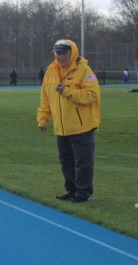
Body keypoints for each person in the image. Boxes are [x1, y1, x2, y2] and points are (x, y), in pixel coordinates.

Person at [37, 39, 101, 203]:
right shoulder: (51, 71)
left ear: (72, 53)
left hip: (82, 127)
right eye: (57, 53)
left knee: (83, 162)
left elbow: (92, 96)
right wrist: (43, 119)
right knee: (66, 162)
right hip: (61, 128)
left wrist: (67, 91)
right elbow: (45, 99)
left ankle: (83, 194)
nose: (60, 56)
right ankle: (72, 191)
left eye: (64, 53)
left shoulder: (84, 70)